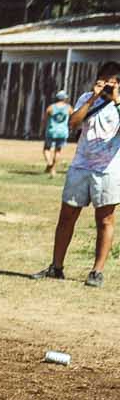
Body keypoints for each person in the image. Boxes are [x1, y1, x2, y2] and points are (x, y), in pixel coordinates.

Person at [42, 59, 120, 289]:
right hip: (80, 166)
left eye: (114, 81)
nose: (109, 84)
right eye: (105, 80)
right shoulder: (86, 99)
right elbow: (73, 124)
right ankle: (56, 267)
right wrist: (95, 97)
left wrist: (115, 101)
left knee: (105, 219)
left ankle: (97, 271)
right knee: (66, 216)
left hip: (108, 169)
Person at [43, 89, 71, 175]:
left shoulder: (51, 107)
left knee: (46, 149)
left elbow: (45, 119)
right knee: (57, 151)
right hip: (63, 131)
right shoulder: (68, 108)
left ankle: (49, 163)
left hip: (52, 130)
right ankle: (53, 169)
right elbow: (73, 118)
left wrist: (44, 126)